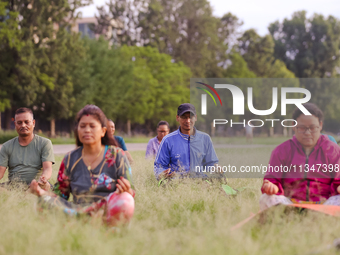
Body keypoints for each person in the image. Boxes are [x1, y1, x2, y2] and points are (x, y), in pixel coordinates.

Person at [30, 105, 135, 225]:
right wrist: (41, 192)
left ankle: (110, 232)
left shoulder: (117, 155)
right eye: (83, 126)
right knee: (43, 201)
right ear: (77, 130)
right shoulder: (70, 158)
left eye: (92, 126)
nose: (87, 130)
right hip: (77, 211)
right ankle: (77, 223)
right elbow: (60, 195)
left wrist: (127, 191)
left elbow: (132, 192)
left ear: (103, 131)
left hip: (107, 211)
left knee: (126, 200)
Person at [260, 103, 340, 210]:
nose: (307, 133)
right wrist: (271, 187)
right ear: (293, 125)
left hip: (325, 205)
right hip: (290, 203)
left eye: (312, 128)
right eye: (302, 128)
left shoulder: (333, 150)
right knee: (266, 198)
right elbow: (272, 179)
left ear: (320, 125)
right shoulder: (281, 151)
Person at [154, 103, 218, 180]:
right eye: (184, 117)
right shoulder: (168, 140)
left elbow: (211, 164)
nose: (187, 121)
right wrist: (163, 174)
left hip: (201, 182)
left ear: (196, 118)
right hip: (176, 183)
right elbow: (159, 166)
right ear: (177, 118)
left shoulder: (205, 139)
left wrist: (216, 169)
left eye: (190, 117)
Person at [0, 108, 54, 189]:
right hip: (13, 185)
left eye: (26, 122)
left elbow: (47, 168)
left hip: (37, 184)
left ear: (33, 123)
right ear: (15, 124)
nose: (23, 125)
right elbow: (0, 172)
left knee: (46, 187)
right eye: (19, 123)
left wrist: (43, 178)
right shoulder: (6, 146)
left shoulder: (45, 143)